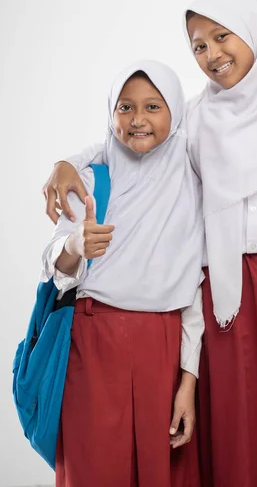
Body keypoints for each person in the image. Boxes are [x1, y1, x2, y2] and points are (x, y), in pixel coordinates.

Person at [42, 0, 257, 487]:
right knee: (239, 437)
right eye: (198, 45)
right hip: (227, 298)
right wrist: (69, 161)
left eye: (222, 36)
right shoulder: (196, 115)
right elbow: (135, 137)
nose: (212, 55)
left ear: (254, 30)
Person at [42, 60, 204, 487]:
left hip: (163, 345)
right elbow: (56, 266)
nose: (137, 120)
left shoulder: (192, 180)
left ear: (176, 112)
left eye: (153, 106)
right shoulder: (93, 178)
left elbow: (195, 288)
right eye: (125, 107)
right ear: (110, 113)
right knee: (92, 469)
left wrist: (188, 380)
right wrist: (76, 246)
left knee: (159, 472)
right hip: (94, 342)